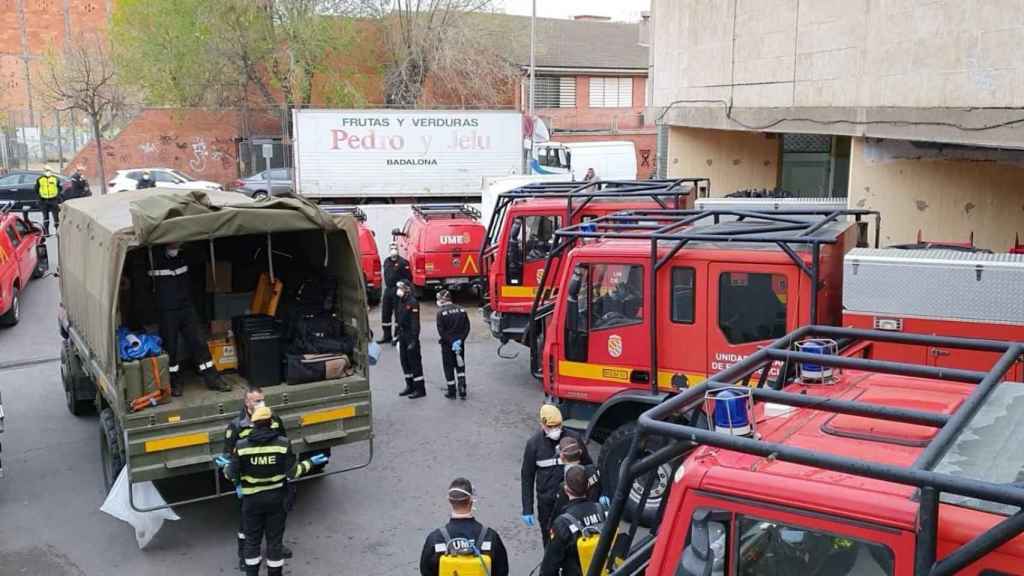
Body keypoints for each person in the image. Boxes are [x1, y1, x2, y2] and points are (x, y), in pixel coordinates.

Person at [222, 406, 325, 576]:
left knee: (252, 542)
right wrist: (310, 463)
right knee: (275, 542)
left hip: (252, 502)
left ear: (253, 423)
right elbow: (293, 473)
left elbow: (231, 474)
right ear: (271, 422)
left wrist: (225, 466)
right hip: (277, 500)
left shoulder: (241, 446)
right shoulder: (283, 444)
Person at [150, 242, 230, 396]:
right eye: (173, 244)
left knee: (199, 342)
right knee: (170, 348)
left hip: (187, 307)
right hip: (166, 311)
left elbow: (200, 259)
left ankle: (213, 379)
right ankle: (174, 383)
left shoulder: (186, 255)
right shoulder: (152, 257)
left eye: (178, 244)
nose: (176, 246)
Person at [224, 386, 291, 570]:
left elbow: (282, 444)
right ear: (247, 403)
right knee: (246, 525)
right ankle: (243, 555)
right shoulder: (237, 425)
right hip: (248, 484)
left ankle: (275, 546)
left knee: (274, 524)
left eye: (263, 400)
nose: (261, 404)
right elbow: (230, 457)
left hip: (273, 482)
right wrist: (237, 483)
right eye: (257, 401)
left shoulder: (274, 419)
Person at [521, 404, 592, 546]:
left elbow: (589, 466)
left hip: (572, 500)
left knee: (574, 540)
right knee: (549, 540)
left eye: (558, 426)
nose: (555, 430)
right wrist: (527, 509)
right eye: (551, 427)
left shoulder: (573, 440)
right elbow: (527, 477)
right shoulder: (534, 445)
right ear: (542, 424)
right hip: (547, 503)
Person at [418, 478, 510, 576]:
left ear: (449, 500)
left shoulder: (435, 539)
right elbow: (502, 571)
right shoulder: (490, 537)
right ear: (471, 499)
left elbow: (426, 571)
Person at [539, 466, 607, 576]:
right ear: (588, 485)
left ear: (566, 490)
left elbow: (549, 567)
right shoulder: (602, 510)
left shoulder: (562, 523)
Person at [553, 436, 603, 516]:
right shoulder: (593, 470)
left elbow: (558, 511)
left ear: (562, 457)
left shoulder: (566, 484)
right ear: (580, 452)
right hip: (596, 513)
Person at [435, 290, 470, 399]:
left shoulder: (441, 313)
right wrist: (460, 340)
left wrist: (451, 342)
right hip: (460, 344)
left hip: (447, 345)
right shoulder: (462, 310)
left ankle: (452, 391)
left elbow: (441, 331)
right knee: (460, 366)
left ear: (443, 299)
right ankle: (462, 388)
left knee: (448, 367)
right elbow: (467, 327)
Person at [395, 279, 426, 399]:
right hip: (402, 335)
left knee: (414, 362)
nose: (399, 290)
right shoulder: (401, 301)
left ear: (407, 289)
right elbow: (399, 319)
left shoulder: (412, 302)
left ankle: (420, 389)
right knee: (404, 361)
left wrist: (414, 339)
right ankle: (410, 386)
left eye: (401, 288)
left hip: (410, 335)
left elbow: (415, 323)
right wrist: (396, 335)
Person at [377, 242, 411, 344]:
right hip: (388, 290)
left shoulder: (403, 262)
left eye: (395, 248)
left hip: (398, 290)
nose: (393, 250)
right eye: (391, 248)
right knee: (385, 313)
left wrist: (403, 288)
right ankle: (386, 335)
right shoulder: (387, 261)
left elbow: (408, 278)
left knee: (398, 313)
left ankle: (397, 335)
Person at [34, 167, 61, 234]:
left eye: (48, 170)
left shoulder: (55, 179)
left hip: (53, 200)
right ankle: (46, 232)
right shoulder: (40, 179)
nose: (47, 172)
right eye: (46, 170)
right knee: (45, 217)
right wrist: (40, 197)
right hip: (43, 201)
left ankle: (57, 231)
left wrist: (57, 196)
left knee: (56, 217)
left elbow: (59, 188)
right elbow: (36, 189)